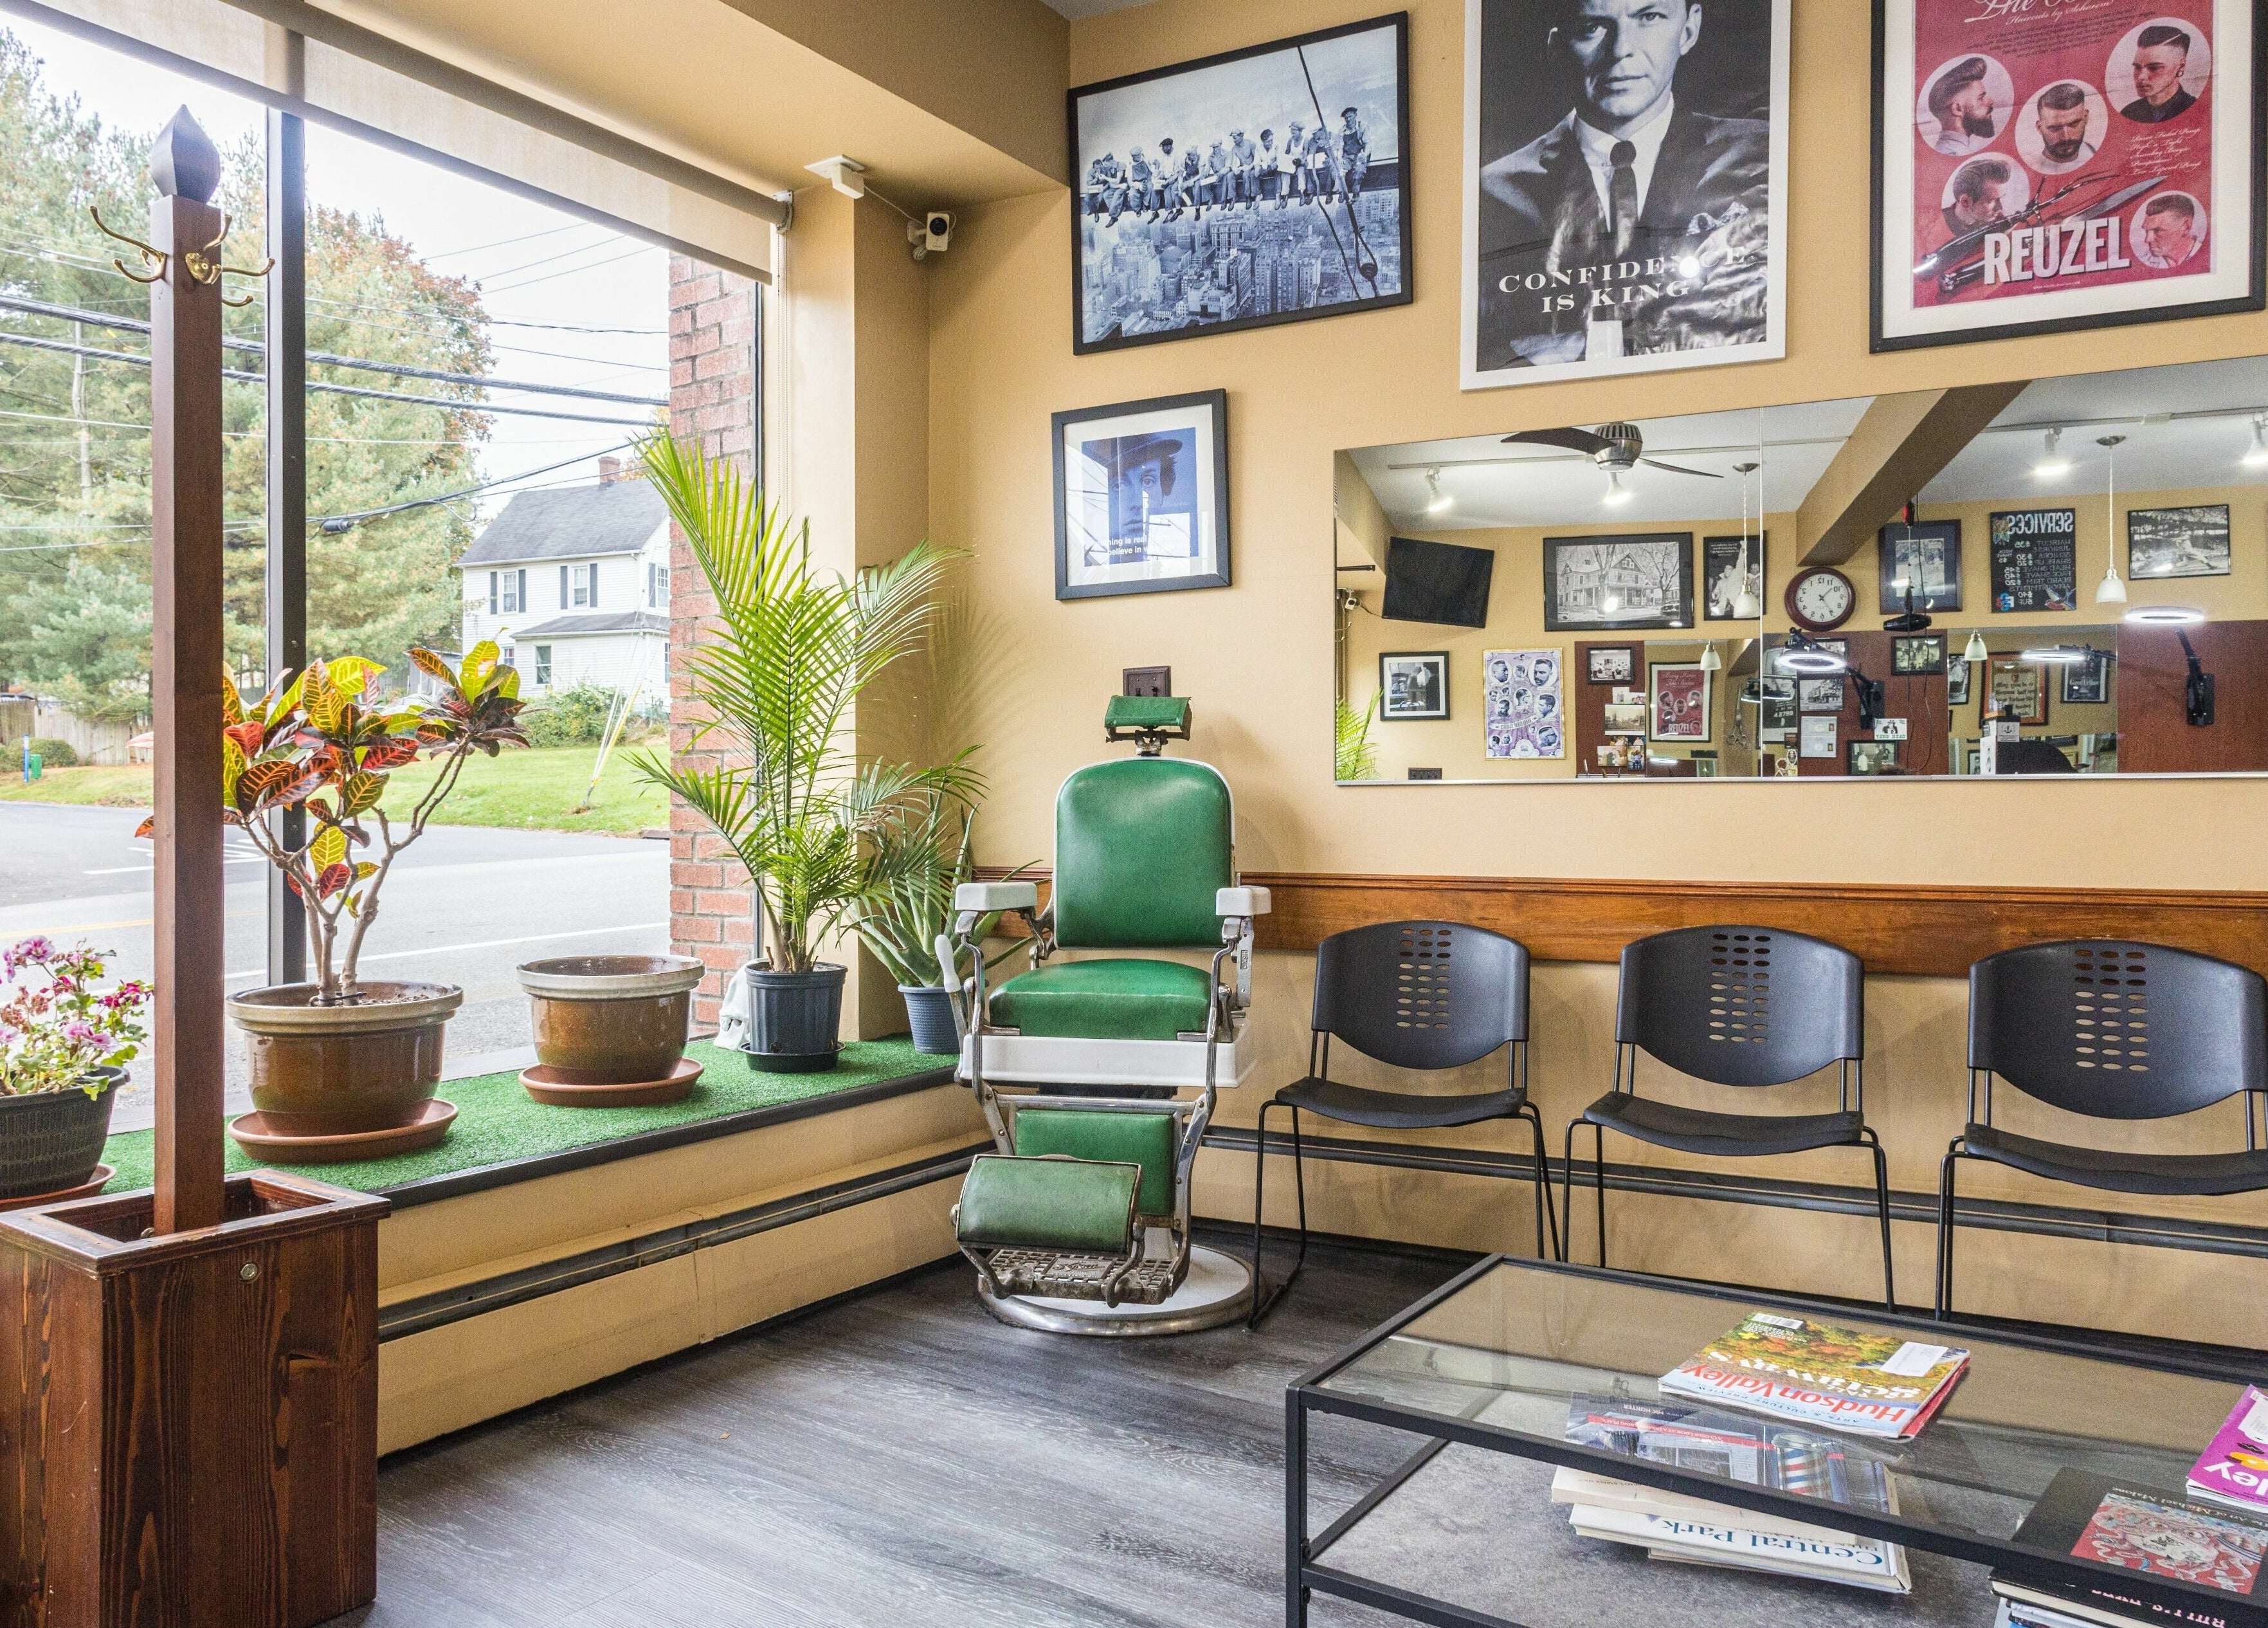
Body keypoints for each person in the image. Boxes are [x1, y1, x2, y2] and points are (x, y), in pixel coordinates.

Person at [1476, 0, 1772, 368]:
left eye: (1649, 18)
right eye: (1591, 28)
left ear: (1689, 29)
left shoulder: (1763, 158)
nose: (1620, 51)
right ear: (1557, 45)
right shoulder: (1491, 192)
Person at [2120, 24, 2198, 123]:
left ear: (2181, 67)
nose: (2141, 77)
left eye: (2154, 68)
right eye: (2137, 67)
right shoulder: (2128, 113)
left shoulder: (2195, 110)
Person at [1925, 56, 1999, 156]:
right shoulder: (1954, 152)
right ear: (1958, 109)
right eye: (1981, 98)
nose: (1991, 101)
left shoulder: (1953, 149)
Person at [2029, 82, 2096, 174]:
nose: (2066, 137)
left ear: (2085, 117)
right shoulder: (2029, 167)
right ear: (2039, 127)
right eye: (2054, 128)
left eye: (2074, 124)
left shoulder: (2100, 155)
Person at [1941, 156, 2015, 238]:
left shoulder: (2001, 222)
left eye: (2000, 199)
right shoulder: (1937, 227)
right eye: (1991, 201)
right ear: (1965, 202)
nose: (2000, 208)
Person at [2136, 192, 2204, 267]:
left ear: (2186, 227)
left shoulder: (2209, 254)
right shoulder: (2143, 264)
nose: (2147, 240)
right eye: (2147, 231)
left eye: (2158, 231)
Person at [1339, 105, 1370, 201]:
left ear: (1355, 116)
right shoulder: (1342, 131)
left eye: (1351, 116)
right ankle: (1342, 192)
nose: (1348, 119)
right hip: (1347, 157)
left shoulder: (1362, 127)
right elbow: (1340, 148)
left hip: (1359, 155)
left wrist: (1365, 155)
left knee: (1360, 170)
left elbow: (1368, 143)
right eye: (1346, 118)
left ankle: (1356, 192)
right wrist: (1339, 158)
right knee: (1340, 172)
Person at [1282, 120, 1309, 205]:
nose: (1292, 135)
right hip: (1291, 163)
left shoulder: (1305, 140)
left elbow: (1305, 158)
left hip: (1300, 163)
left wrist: (1300, 161)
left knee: (1301, 173)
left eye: (1294, 133)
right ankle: (1285, 195)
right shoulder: (1290, 140)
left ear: (1300, 131)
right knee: (1285, 174)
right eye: (1291, 133)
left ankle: (1302, 193)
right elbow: (1287, 153)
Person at [1229, 129, 1256, 205]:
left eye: (1235, 138)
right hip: (1242, 168)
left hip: (1252, 168)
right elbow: (1233, 163)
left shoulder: (1251, 144)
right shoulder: (1234, 149)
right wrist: (1235, 169)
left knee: (1246, 175)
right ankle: (1233, 197)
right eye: (1233, 138)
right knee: (1230, 175)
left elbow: (1257, 160)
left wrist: (1249, 167)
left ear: (1241, 136)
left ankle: (1248, 197)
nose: (1234, 140)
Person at [1255, 129, 1282, 204]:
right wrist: (1259, 169)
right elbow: (1256, 162)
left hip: (1274, 168)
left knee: (1278, 172)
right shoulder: (1259, 148)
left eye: (1271, 140)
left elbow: (1279, 160)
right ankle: (1258, 194)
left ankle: (1278, 195)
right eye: (1268, 141)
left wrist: (1271, 167)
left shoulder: (1277, 145)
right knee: (1254, 173)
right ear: (1263, 142)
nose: (1271, 143)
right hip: (1264, 169)